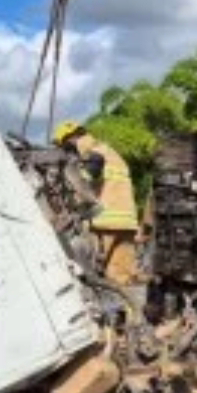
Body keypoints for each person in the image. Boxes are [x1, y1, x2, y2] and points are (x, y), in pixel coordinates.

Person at [53, 120, 139, 285]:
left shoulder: (93, 153)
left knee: (91, 276)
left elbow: (83, 181)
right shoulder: (111, 152)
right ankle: (127, 309)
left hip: (104, 223)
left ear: (71, 139)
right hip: (127, 224)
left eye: (64, 147)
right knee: (121, 278)